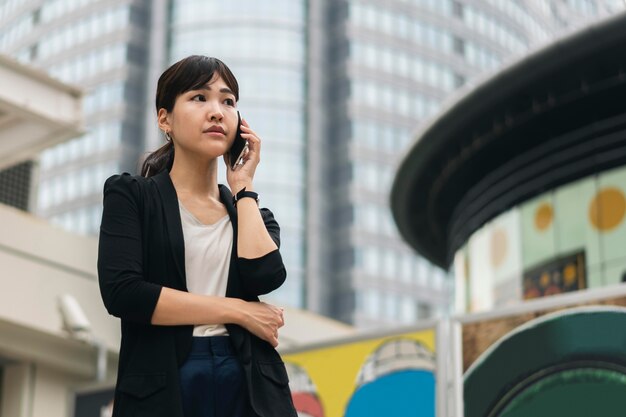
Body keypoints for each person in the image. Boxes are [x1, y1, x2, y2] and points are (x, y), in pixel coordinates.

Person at [97, 55, 297, 417]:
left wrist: (243, 188)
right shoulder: (132, 197)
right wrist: (238, 311)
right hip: (165, 384)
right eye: (199, 97)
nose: (217, 111)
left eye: (228, 101)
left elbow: (265, 275)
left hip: (249, 385)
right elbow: (124, 293)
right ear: (165, 119)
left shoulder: (252, 214)